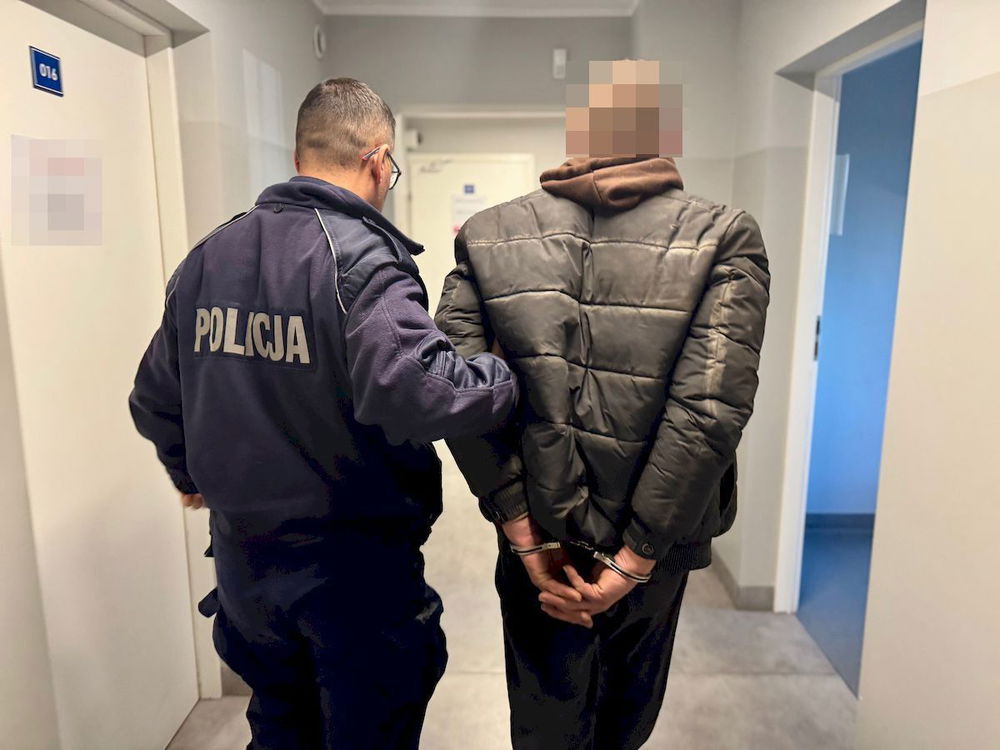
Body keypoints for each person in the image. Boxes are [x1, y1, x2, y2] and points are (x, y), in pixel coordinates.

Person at [129, 77, 518, 749]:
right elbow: (424, 392)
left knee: (281, 726)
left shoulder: (210, 256)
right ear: (379, 159)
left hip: (246, 570)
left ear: (300, 155)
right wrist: (504, 374)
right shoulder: (360, 259)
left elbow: (155, 395)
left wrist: (188, 472)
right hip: (350, 573)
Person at [435, 59, 770, 750]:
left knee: (543, 723)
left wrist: (524, 532)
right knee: (624, 726)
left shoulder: (487, 233)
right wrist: (633, 560)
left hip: (538, 538)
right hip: (653, 551)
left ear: (579, 130)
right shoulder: (726, 235)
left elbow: (455, 388)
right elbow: (708, 411)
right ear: (664, 132)